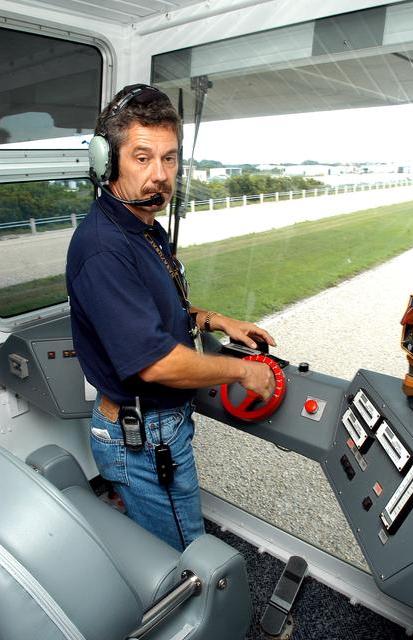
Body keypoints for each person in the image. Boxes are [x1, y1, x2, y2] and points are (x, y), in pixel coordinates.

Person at [66, 83, 276, 551]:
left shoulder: (142, 226)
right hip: (143, 438)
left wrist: (215, 319)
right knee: (186, 555)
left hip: (155, 426)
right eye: (142, 158)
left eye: (170, 158)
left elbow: (158, 304)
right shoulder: (104, 248)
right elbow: (156, 362)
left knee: (162, 538)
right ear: (106, 162)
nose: (160, 175)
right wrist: (245, 369)